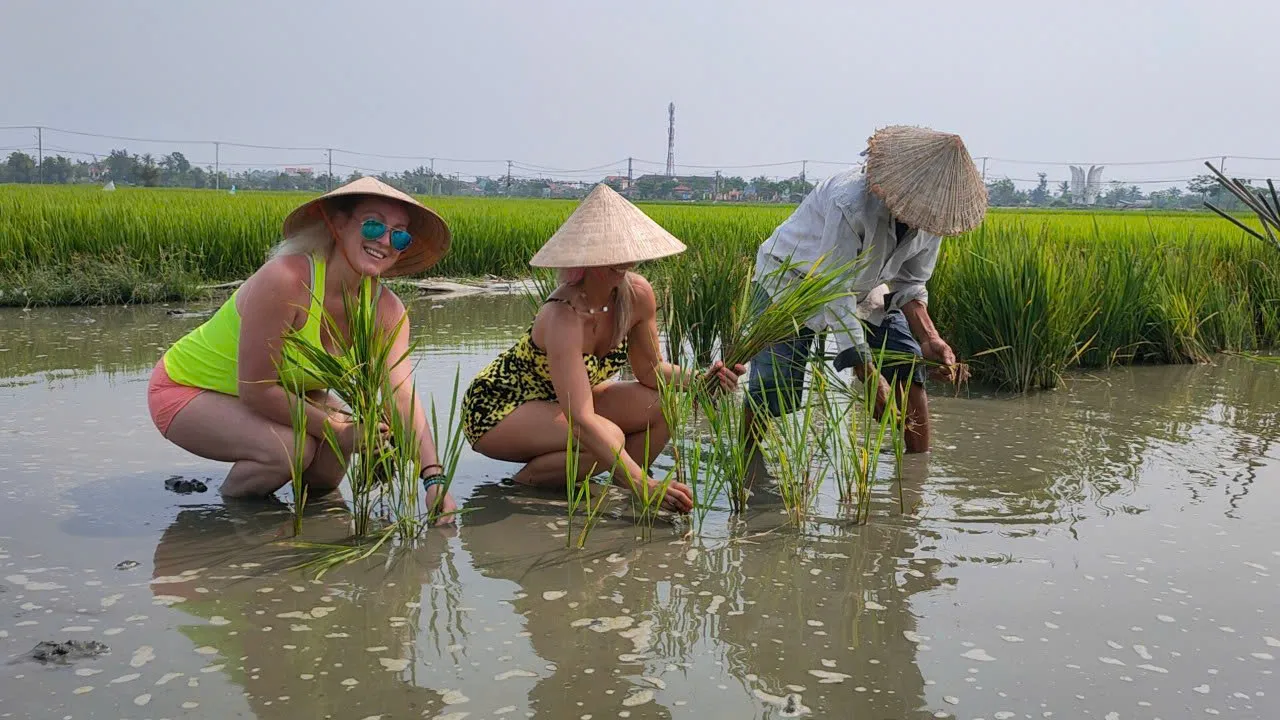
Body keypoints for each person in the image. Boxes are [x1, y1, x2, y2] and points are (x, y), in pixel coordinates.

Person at [147, 177, 460, 523]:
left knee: (335, 456)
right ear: (337, 224)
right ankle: (232, 524)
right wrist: (338, 429)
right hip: (187, 389)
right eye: (374, 225)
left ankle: (314, 527)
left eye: (399, 234)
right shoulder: (286, 280)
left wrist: (433, 477)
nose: (385, 241)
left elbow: (400, 393)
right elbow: (257, 389)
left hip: (283, 394)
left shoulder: (386, 311)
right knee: (289, 450)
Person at [462, 183, 744, 513]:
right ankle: (528, 485)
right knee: (606, 435)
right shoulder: (562, 316)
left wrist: (702, 379)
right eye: (607, 251)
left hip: (558, 405)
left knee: (665, 404)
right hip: (501, 407)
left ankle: (620, 487)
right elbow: (579, 418)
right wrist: (644, 484)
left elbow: (651, 372)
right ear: (583, 257)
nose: (622, 258)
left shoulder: (638, 296)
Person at [745, 125, 987, 456]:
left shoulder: (934, 219)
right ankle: (746, 466)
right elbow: (832, 287)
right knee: (774, 386)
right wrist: (867, 374)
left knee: (908, 360)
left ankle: (917, 471)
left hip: (864, 284)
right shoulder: (850, 201)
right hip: (791, 281)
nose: (920, 215)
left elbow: (910, 283)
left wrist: (930, 337)